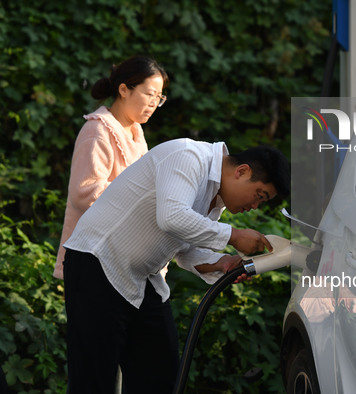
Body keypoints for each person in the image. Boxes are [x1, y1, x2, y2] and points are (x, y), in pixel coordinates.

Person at [62, 138, 290, 393]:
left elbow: (185, 249)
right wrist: (234, 235)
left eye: (263, 202)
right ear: (242, 171)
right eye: (259, 195)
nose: (255, 206)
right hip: (98, 263)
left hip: (141, 278)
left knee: (160, 375)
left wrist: (223, 262)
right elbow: (172, 217)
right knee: (93, 381)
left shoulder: (215, 196)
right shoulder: (189, 156)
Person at [53, 55, 168, 280]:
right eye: (149, 94)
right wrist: (143, 197)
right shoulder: (97, 131)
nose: (154, 103)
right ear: (124, 90)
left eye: (159, 97)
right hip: (95, 259)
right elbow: (84, 192)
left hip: (127, 259)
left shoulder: (136, 132)